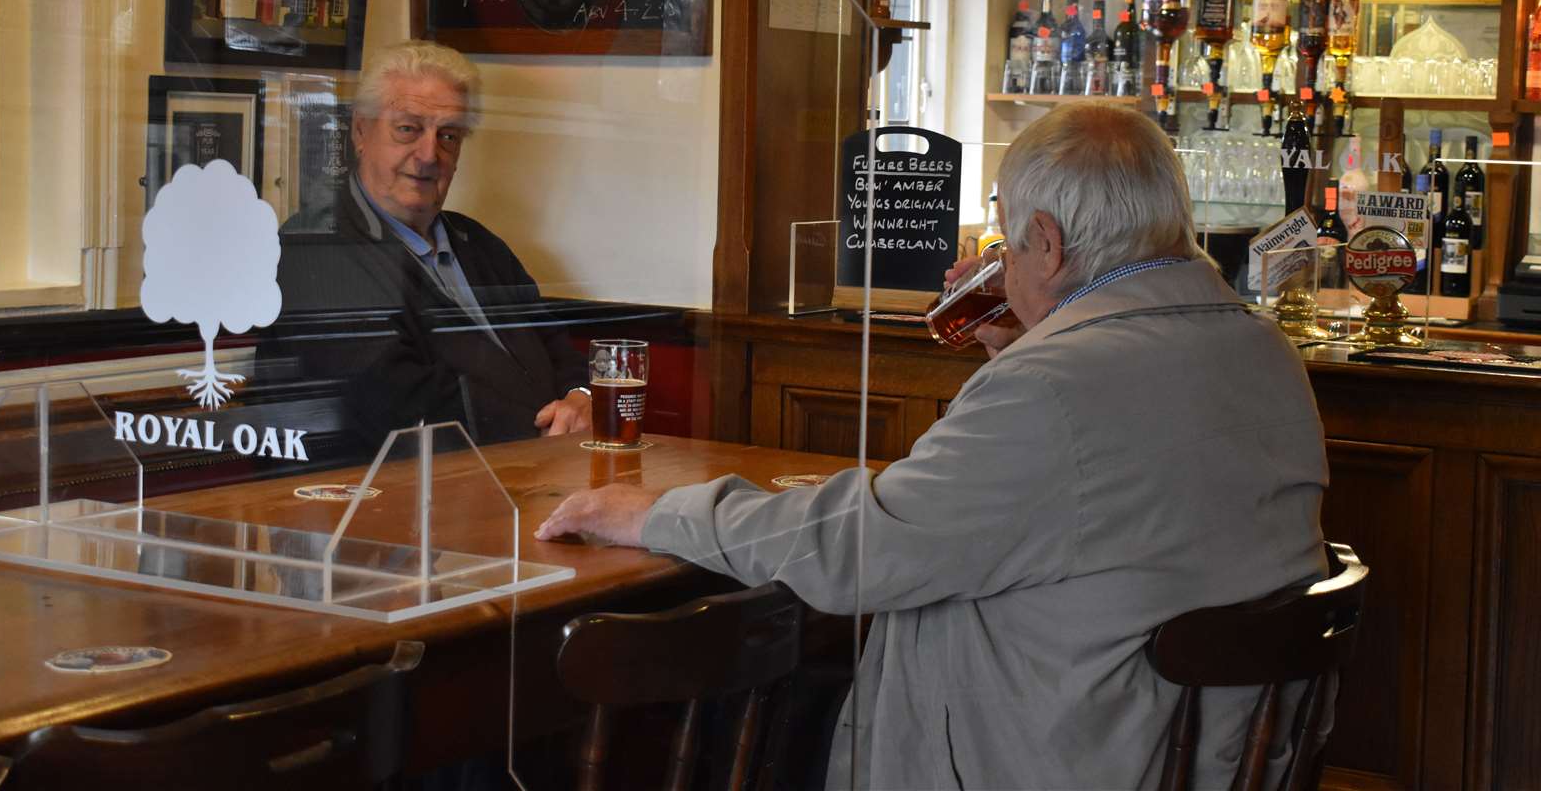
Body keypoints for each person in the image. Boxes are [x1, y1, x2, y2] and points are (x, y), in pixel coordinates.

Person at [536, 102, 1329, 789]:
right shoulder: (1264, 349)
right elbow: (1086, 495)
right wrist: (1024, 347)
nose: (1001, 266)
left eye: (1008, 246)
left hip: (1065, 757)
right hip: (1211, 756)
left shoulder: (1054, 388)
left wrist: (659, 516)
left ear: (1046, 244)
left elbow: (865, 549)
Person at [261, 39, 591, 455]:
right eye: (408, 129)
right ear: (361, 132)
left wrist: (583, 398)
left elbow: (558, 350)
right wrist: (544, 430)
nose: (428, 154)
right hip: (382, 498)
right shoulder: (315, 248)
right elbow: (392, 401)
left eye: (448, 136)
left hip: (525, 474)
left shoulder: (481, 246)